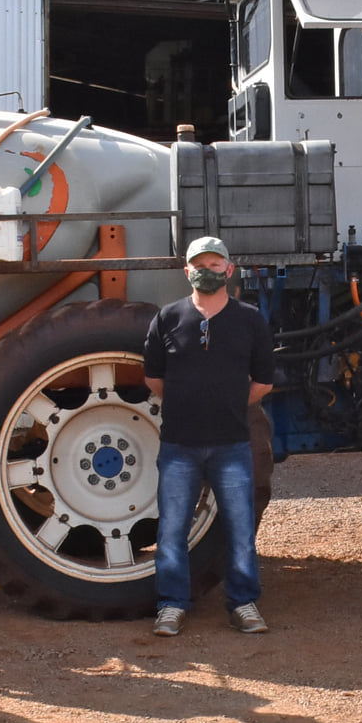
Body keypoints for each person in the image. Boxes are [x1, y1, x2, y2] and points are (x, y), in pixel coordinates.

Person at [142, 236, 275, 636]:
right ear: (187, 272)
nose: (208, 270)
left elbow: (264, 381)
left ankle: (244, 603)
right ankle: (171, 605)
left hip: (231, 444)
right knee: (171, 530)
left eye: (216, 264)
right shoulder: (168, 317)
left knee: (240, 527)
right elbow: (154, 377)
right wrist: (189, 403)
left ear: (230, 271)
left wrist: (228, 404)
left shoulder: (249, 319)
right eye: (200, 264)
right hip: (179, 444)